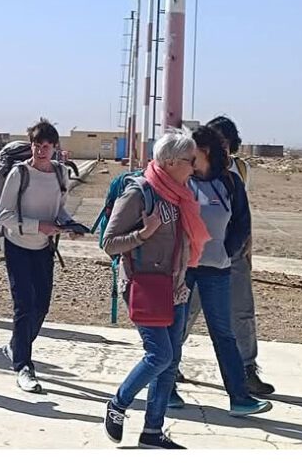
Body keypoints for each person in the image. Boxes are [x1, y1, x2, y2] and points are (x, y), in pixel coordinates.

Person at [99, 129, 205, 449]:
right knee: (159, 355)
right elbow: (109, 243)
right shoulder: (139, 192)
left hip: (175, 286)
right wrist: (144, 233)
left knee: (170, 361)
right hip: (144, 286)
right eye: (190, 160)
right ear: (171, 162)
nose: (195, 166)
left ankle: (152, 431)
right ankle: (118, 403)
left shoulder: (180, 194)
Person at [167, 127, 271, 416]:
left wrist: (227, 251)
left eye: (192, 149)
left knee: (224, 334)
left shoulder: (230, 183)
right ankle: (167, 388)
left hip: (217, 270)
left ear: (206, 151)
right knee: (174, 329)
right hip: (183, 270)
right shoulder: (181, 181)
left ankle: (240, 397)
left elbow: (241, 223)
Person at [0, 118, 80, 393]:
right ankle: (23, 366)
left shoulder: (61, 173)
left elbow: (59, 209)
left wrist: (68, 225)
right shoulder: (19, 173)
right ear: (31, 145)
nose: (41, 151)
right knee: (24, 305)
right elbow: (4, 215)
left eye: (46, 146)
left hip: (44, 247)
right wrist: (37, 226)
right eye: (36, 145)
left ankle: (16, 347)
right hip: (17, 245)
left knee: (41, 306)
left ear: (54, 147)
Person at [191, 115, 273, 395]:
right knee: (187, 309)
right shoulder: (193, 172)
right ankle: (170, 361)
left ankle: (247, 368)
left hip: (232, 251)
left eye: (224, 142)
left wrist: (241, 244)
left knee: (241, 310)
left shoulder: (239, 171)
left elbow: (241, 212)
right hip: (197, 253)